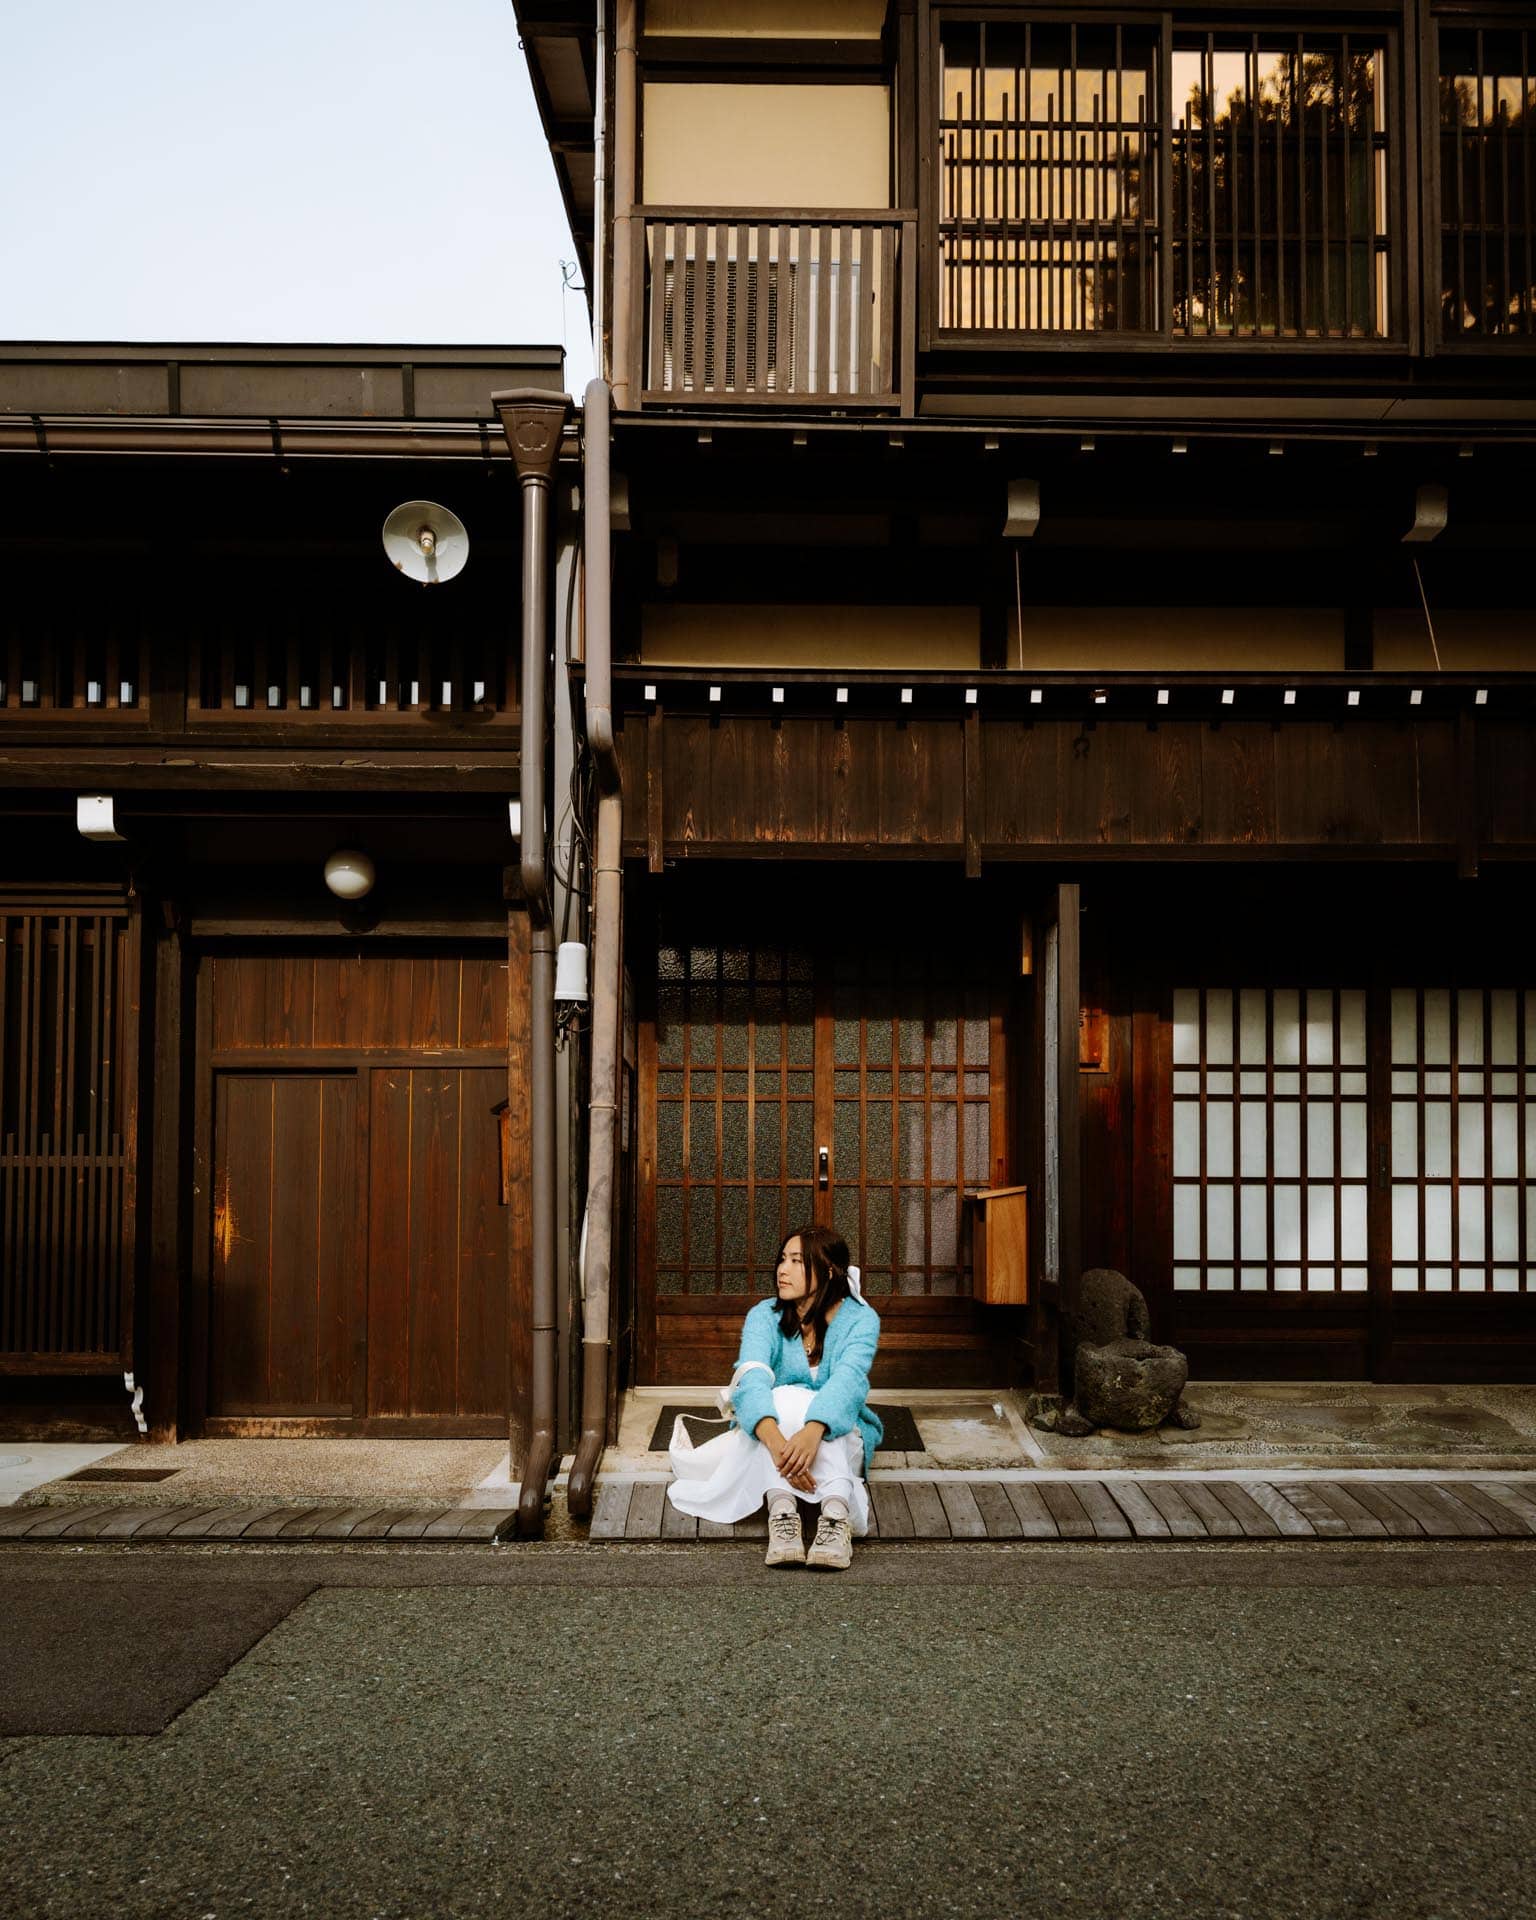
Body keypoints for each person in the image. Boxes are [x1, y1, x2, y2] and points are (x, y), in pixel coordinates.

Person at [665, 1224, 882, 1571]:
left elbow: (849, 1382)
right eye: (782, 1259)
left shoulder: (860, 1319)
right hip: (774, 1433)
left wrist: (814, 1431)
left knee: (810, 1409)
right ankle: (793, 1511)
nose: (782, 1269)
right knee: (780, 1397)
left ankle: (831, 1517)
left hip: (839, 1431)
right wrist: (777, 1442)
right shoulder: (764, 1316)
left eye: (796, 1261)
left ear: (828, 1270)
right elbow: (751, 1379)